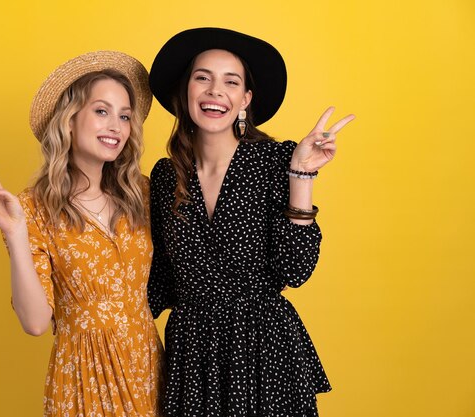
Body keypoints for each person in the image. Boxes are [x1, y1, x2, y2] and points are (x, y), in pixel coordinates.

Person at [147, 28, 355, 416]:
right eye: (202, 77)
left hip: (264, 352)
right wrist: (89, 312)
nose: (215, 91)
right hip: (193, 359)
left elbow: (295, 270)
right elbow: (159, 281)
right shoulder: (164, 176)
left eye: (231, 81)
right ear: (186, 91)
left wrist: (302, 176)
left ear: (245, 100)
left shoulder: (277, 162)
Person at [0, 51, 164, 417]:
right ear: (69, 120)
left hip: (148, 367)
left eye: (125, 116)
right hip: (83, 376)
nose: (117, 126)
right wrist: (16, 234)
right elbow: (36, 322)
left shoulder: (144, 192)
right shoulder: (31, 209)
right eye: (102, 111)